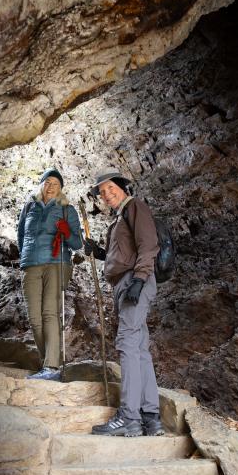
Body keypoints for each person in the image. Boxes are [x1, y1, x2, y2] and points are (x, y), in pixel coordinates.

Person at [84, 167, 164, 437]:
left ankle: (129, 418)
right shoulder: (119, 218)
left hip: (134, 281)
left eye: (110, 188)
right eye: (102, 192)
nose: (106, 194)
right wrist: (99, 254)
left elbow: (148, 244)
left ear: (122, 186)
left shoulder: (134, 207)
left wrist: (140, 279)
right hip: (125, 281)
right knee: (139, 347)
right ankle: (151, 418)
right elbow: (124, 253)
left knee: (127, 342)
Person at [17, 168, 83, 381]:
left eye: (55, 183)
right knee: (34, 317)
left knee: (49, 314)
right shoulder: (29, 208)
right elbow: (20, 236)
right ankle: (48, 364)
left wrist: (66, 231)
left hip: (57, 263)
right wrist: (25, 257)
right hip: (31, 264)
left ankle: (51, 366)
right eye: (47, 182)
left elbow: (77, 243)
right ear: (41, 185)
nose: (51, 186)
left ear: (61, 188)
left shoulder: (67, 210)